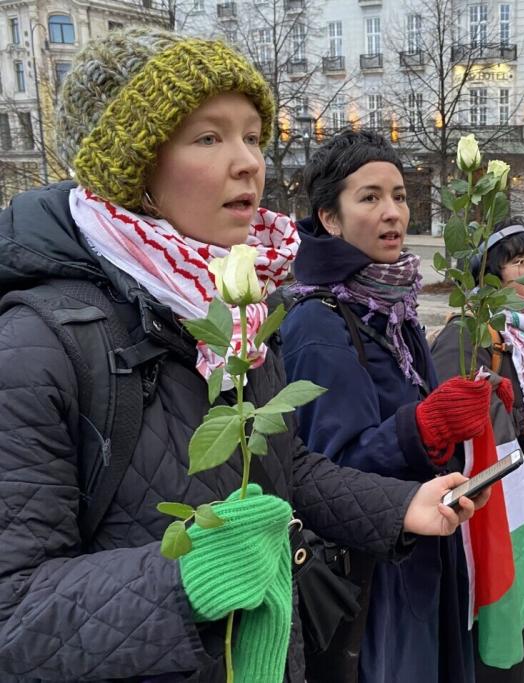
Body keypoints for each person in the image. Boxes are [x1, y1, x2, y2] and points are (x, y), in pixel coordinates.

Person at [0, 29, 487, 683]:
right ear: (136, 166)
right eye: (209, 138)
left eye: (253, 136)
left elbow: (284, 467)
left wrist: (399, 506)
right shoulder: (39, 343)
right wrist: (188, 578)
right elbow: (13, 614)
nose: (249, 163)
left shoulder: (240, 307)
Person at [279, 130, 492, 683]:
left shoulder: (391, 307)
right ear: (330, 218)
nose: (393, 212)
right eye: (369, 198)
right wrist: (424, 426)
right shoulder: (319, 322)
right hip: (373, 583)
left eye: (398, 195)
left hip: (419, 548)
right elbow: (326, 470)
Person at [431, 221, 524, 683]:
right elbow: (445, 418)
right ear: (490, 277)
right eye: (519, 262)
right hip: (500, 512)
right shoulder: (467, 336)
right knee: (504, 637)